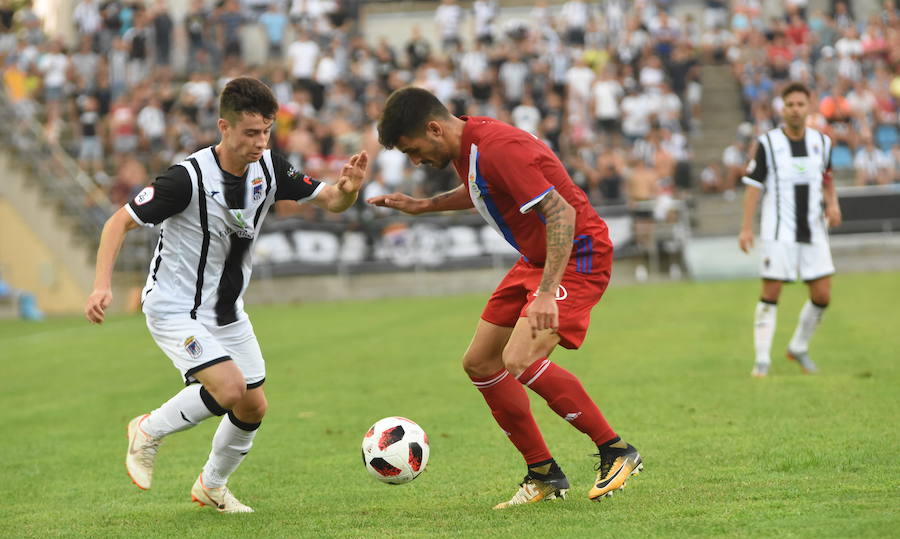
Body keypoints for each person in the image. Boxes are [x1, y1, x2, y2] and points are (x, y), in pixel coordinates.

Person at [84, 77, 368, 513]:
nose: (260, 142)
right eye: (250, 133)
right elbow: (117, 223)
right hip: (174, 307)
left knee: (253, 406)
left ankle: (211, 486)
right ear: (224, 127)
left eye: (266, 132)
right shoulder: (187, 178)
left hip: (227, 310)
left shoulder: (271, 167)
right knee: (231, 387)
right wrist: (102, 285)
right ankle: (147, 429)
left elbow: (330, 200)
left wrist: (348, 190)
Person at [369, 87, 642, 509]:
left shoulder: (498, 148)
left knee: (520, 358)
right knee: (479, 362)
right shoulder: (469, 145)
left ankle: (616, 450)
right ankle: (544, 473)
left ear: (434, 128)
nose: (415, 160)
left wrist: (548, 293)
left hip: (576, 255)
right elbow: (481, 190)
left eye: (414, 149)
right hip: (535, 257)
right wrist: (423, 207)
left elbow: (561, 213)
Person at [739, 82, 841, 378]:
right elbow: (753, 188)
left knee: (822, 295)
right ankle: (762, 360)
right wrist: (746, 228)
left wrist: (833, 204)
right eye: (790, 105)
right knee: (771, 292)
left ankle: (798, 347)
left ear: (808, 107)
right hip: (778, 231)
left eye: (800, 104)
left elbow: (828, 178)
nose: (795, 110)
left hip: (814, 230)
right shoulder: (768, 143)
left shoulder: (821, 142)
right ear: (782, 109)